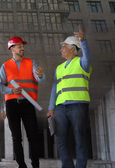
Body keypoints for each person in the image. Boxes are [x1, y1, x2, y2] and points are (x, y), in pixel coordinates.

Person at [46, 26, 92, 168]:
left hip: (78, 105)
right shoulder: (58, 68)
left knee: (80, 139)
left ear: (73, 49)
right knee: (60, 140)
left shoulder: (82, 63)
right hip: (60, 108)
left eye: (64, 46)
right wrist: (51, 107)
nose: (61, 49)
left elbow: (88, 56)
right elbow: (55, 88)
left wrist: (83, 41)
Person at [0, 36, 45, 168]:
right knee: (16, 138)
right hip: (12, 104)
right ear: (12, 49)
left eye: (23, 46)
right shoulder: (5, 66)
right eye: (19, 46)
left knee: (33, 136)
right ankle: (21, 165)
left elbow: (39, 78)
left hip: (28, 103)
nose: (22, 49)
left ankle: (35, 165)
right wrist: (11, 90)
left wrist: (40, 75)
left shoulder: (31, 63)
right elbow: (0, 86)